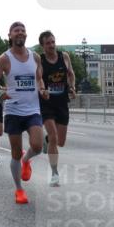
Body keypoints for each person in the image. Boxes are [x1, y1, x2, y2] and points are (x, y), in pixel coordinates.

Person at [0, 22, 45, 205]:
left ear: (26, 35)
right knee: (15, 153)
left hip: (32, 109)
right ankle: (19, 189)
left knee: (38, 145)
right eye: (16, 31)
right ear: (10, 35)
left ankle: (26, 161)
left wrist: (42, 89)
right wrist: (0, 94)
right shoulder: (4, 59)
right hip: (13, 111)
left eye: (22, 30)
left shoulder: (35, 57)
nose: (20, 33)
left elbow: (39, 79)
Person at [38, 31, 76, 186]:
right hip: (46, 103)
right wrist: (42, 90)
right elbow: (38, 78)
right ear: (43, 46)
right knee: (54, 136)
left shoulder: (64, 56)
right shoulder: (39, 60)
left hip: (61, 102)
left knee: (60, 142)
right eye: (48, 43)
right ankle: (54, 173)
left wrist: (73, 87)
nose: (52, 45)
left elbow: (71, 74)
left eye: (53, 42)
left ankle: (47, 140)